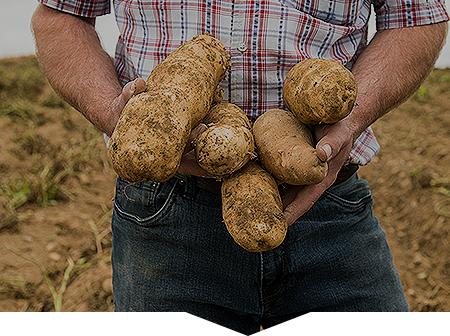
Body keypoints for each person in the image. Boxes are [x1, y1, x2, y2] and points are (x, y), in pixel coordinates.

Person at [31, 0, 448, 334]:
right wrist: (117, 114)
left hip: (328, 199)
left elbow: (418, 18)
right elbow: (60, 18)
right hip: (167, 210)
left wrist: (352, 119)